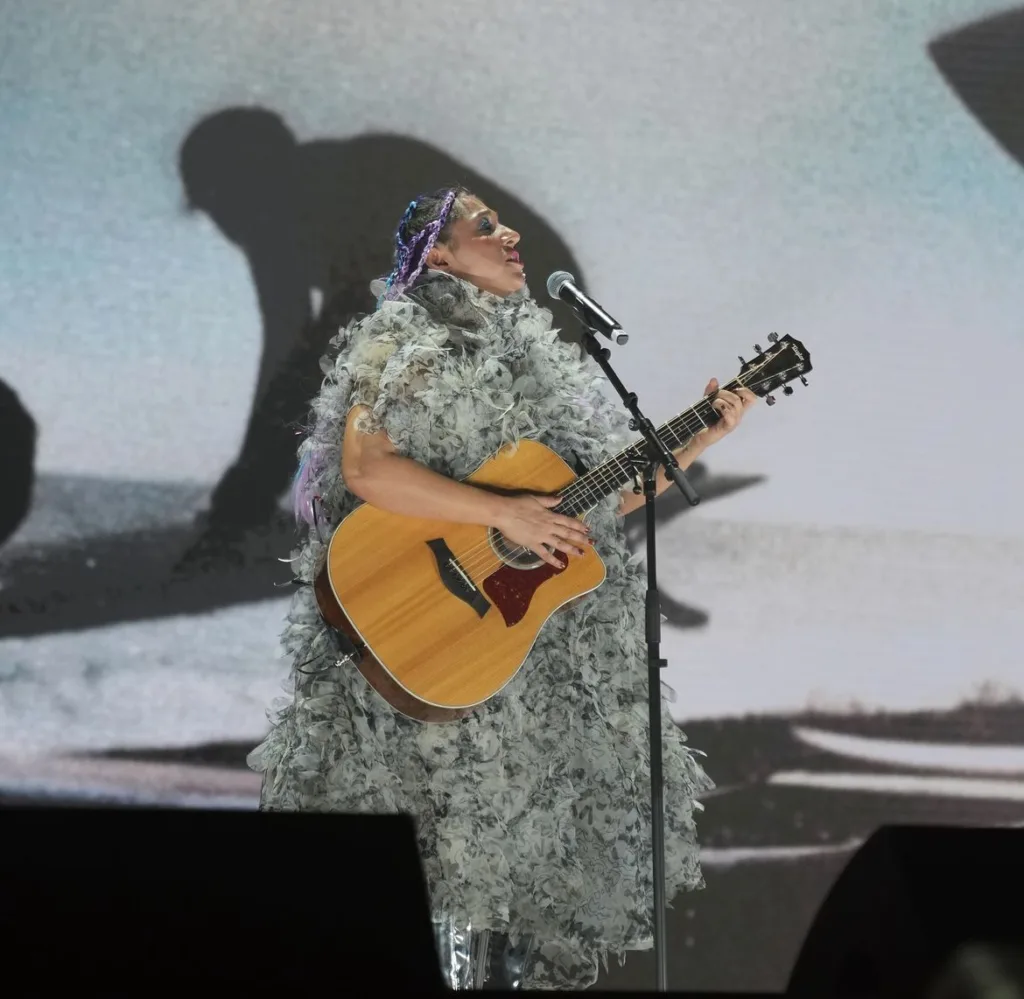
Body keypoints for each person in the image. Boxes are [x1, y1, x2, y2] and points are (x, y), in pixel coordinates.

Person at [248, 185, 757, 990]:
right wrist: (501, 515)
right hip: (428, 643)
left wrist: (698, 433)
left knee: (526, 882)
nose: (510, 232)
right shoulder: (400, 342)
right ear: (439, 255)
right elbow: (368, 467)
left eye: (505, 222)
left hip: (536, 666)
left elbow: (586, 504)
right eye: (485, 225)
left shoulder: (541, 363)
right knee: (440, 872)